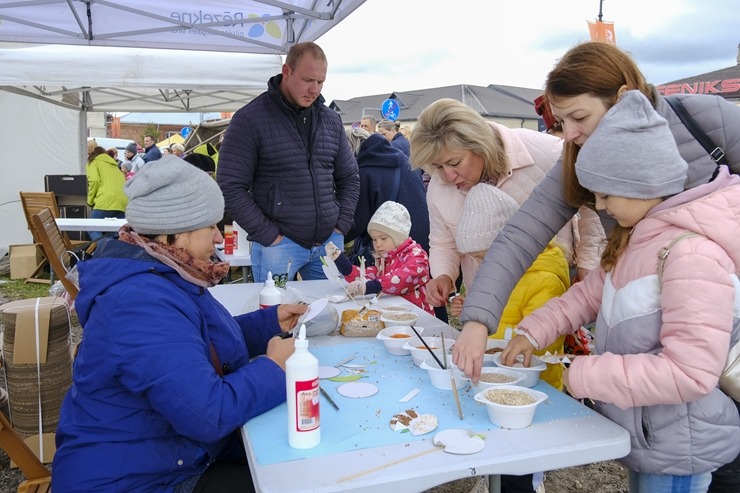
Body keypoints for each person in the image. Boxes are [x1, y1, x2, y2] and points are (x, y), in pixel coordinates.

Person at [452, 42, 740, 492]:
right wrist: (480, 321)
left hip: (710, 342)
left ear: (622, 96)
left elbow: (686, 369)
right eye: (560, 122)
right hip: (660, 402)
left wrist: (581, 372)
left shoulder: (705, 122)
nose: (567, 134)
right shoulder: (619, 212)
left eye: (579, 119)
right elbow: (523, 237)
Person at [52, 156, 308, 493]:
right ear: (175, 232)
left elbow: (195, 344)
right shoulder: (138, 302)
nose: (219, 237)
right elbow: (208, 414)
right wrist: (274, 367)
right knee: (291, 478)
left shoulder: (166, 272)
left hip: (169, 454)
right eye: (211, 225)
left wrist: (267, 323)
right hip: (136, 480)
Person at [409, 98, 603, 323]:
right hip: (487, 300)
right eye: (438, 166)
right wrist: (443, 275)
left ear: (478, 144)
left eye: (454, 163)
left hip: (549, 291)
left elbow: (592, 207)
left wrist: (589, 264)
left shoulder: (547, 153)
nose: (447, 176)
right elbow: (443, 242)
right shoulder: (438, 187)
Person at [217, 41, 359, 283]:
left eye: (320, 81)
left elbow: (350, 178)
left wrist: (341, 226)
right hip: (279, 246)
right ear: (287, 71)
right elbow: (230, 186)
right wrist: (269, 235)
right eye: (307, 80)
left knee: (330, 315)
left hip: (328, 244)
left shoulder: (330, 120)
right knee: (275, 312)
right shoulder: (250, 119)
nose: (315, 89)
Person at [326, 201, 433, 314]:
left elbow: (402, 278)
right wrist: (344, 266)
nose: (378, 244)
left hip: (417, 315)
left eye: (383, 238)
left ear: (398, 236)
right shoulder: (385, 259)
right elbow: (370, 276)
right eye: (374, 239)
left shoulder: (418, 257)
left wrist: (370, 287)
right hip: (393, 312)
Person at [344, 127, 429, 259]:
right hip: (420, 248)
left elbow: (355, 224)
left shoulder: (365, 173)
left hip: (392, 251)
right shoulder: (404, 160)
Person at [86, 139, 127, 241]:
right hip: (123, 201)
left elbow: (94, 181)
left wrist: (90, 200)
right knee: (112, 232)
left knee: (91, 227)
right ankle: (114, 253)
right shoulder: (113, 164)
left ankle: (107, 250)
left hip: (106, 200)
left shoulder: (93, 162)